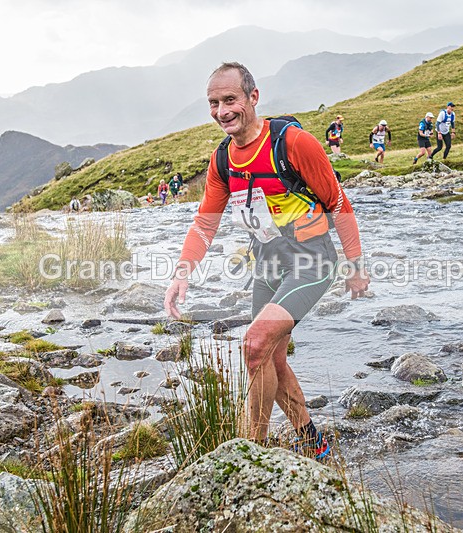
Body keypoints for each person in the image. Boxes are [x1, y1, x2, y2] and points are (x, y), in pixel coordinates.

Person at [163, 62, 368, 458]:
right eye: (213, 103)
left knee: (254, 342)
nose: (222, 111)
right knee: (268, 355)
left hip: (312, 261)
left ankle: (248, 456)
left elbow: (340, 204)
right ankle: (314, 443)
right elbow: (205, 226)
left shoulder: (294, 143)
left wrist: (356, 267)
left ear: (253, 98)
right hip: (268, 263)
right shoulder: (222, 160)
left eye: (230, 100)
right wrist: (181, 274)